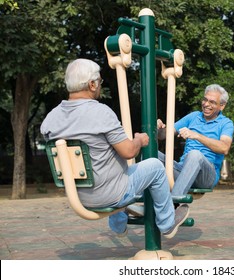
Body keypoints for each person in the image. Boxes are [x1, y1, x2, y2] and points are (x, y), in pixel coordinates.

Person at [40, 58, 189, 238]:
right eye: (100, 82)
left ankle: (119, 226)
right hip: (109, 194)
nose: (100, 86)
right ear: (92, 84)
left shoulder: (50, 119)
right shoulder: (100, 113)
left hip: (77, 196)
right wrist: (139, 140)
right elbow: (128, 151)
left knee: (113, 166)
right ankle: (167, 223)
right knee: (155, 167)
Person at [157, 84, 234, 196]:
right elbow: (163, 135)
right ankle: (138, 201)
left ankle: (176, 202)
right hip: (182, 170)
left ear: (222, 106)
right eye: (205, 100)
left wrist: (197, 135)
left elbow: (224, 147)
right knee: (150, 153)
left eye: (212, 102)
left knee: (194, 155)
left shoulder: (226, 123)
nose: (206, 104)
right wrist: (158, 128)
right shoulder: (193, 117)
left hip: (206, 176)